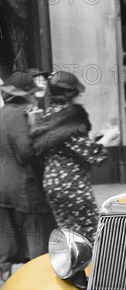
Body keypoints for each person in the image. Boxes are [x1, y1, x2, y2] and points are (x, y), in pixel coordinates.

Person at [30, 71, 116, 243]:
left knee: (67, 234)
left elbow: (67, 147)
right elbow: (92, 154)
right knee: (92, 233)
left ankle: (72, 267)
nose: (83, 96)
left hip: (53, 183)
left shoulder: (48, 118)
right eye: (79, 92)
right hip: (72, 184)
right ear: (70, 94)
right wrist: (110, 136)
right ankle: (95, 269)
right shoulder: (69, 120)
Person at [0, 71, 57, 284]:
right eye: (32, 93)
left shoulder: (2, 113)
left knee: (7, 241)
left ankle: (7, 284)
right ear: (22, 96)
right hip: (24, 189)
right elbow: (26, 153)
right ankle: (39, 283)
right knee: (38, 237)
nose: (35, 98)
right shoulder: (16, 115)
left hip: (3, 189)